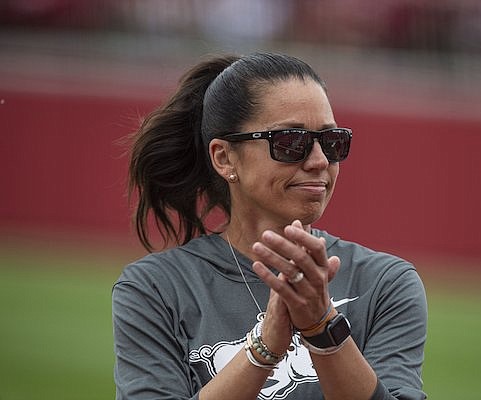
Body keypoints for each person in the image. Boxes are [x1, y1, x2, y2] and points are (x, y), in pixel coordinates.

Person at [112, 52, 427, 400]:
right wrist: (264, 347)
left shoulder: (385, 284)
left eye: (332, 141)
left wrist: (323, 328)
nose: (320, 161)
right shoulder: (156, 289)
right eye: (291, 142)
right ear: (224, 157)